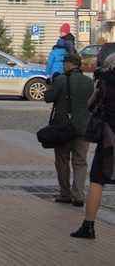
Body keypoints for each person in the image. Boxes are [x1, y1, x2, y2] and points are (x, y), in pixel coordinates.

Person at [70, 52, 115, 240]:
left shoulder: (106, 79)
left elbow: (91, 104)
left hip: (109, 137)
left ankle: (88, 225)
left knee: (98, 179)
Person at [44, 53, 94, 207]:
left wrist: (50, 84)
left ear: (67, 65)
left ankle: (65, 194)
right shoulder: (89, 82)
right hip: (83, 128)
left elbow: (48, 97)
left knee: (62, 160)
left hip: (64, 127)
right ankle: (78, 195)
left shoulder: (61, 80)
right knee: (80, 162)